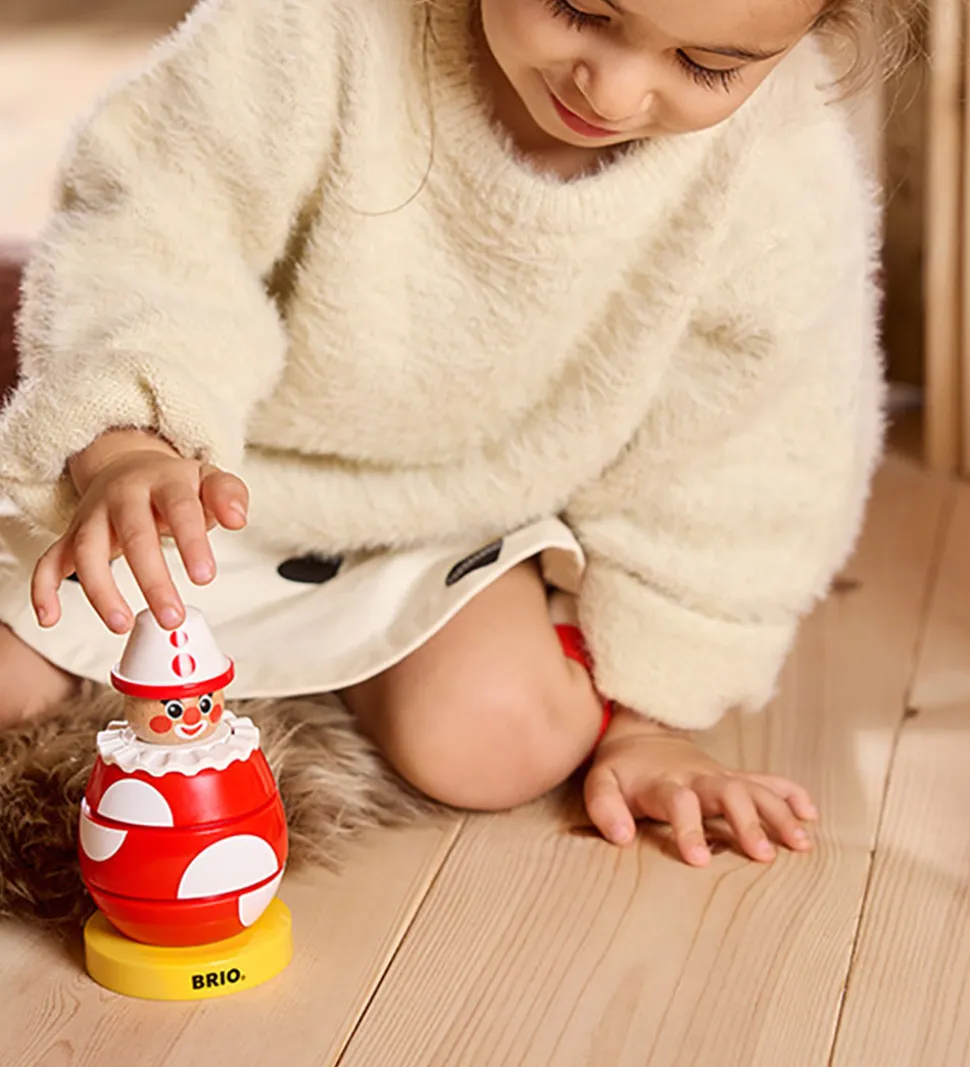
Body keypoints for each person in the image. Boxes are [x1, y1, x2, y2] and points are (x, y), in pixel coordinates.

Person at [0, 0, 904, 866]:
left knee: (499, 738)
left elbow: (748, 447)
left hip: (465, 522)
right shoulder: (314, 27)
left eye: (707, 66)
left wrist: (651, 721)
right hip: (210, 482)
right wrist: (130, 441)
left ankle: (381, 657)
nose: (615, 91)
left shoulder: (780, 161)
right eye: (580, 11)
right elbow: (160, 222)